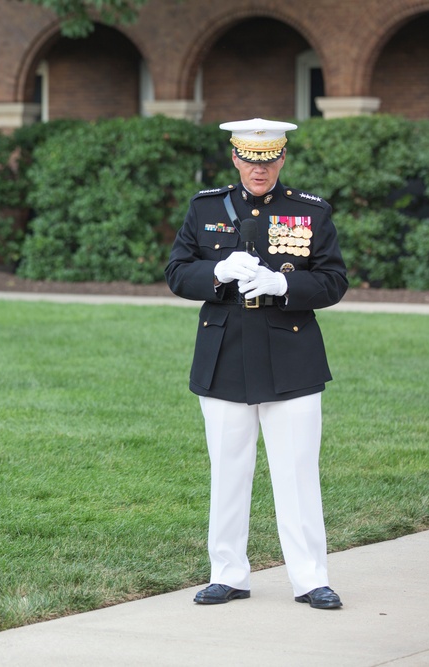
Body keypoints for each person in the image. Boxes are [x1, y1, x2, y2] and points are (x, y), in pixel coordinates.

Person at [165, 118, 348, 610]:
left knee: (296, 472)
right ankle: (227, 573)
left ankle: (310, 578)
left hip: (291, 354)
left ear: (282, 158)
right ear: (234, 158)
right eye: (249, 158)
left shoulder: (308, 212)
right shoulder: (206, 208)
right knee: (227, 471)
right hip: (224, 355)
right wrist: (218, 273)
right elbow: (177, 272)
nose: (258, 169)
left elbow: (333, 280)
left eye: (268, 160)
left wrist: (285, 285)